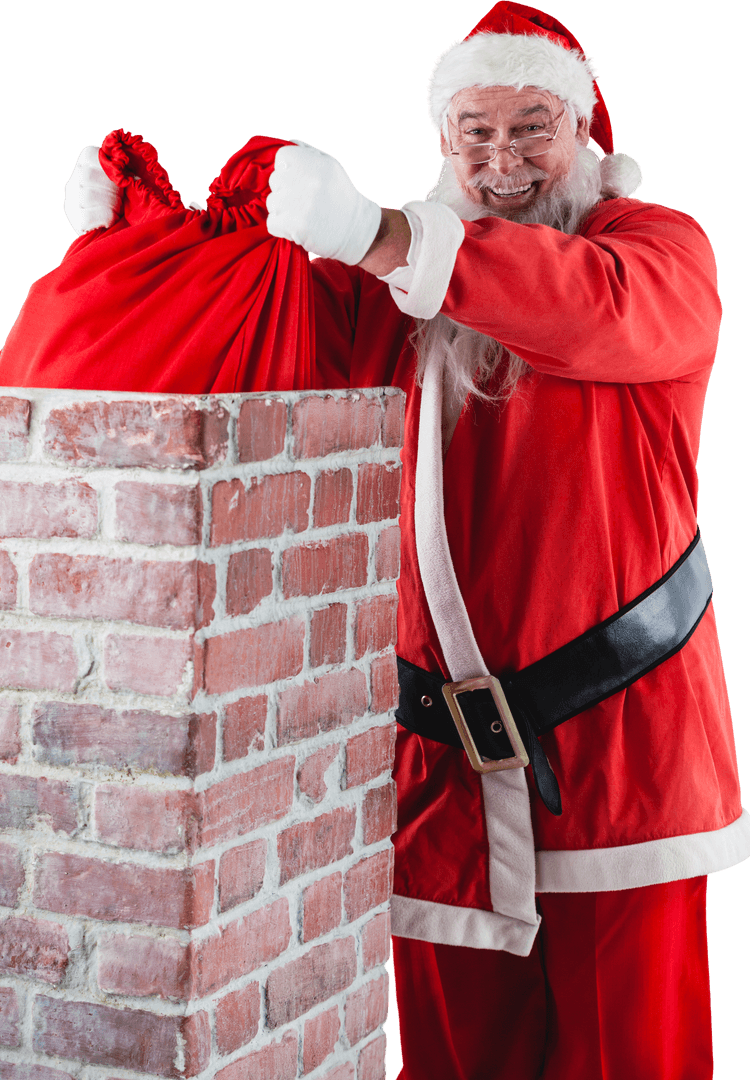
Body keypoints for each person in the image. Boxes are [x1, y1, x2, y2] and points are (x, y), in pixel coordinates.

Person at [62, 3, 749, 1077]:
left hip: (621, 759)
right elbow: (261, 311)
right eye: (473, 132)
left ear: (587, 135)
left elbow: (584, 305)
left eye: (532, 125)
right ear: (443, 146)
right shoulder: (399, 292)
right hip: (438, 781)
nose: (501, 158)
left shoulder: (658, 254)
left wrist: (379, 232)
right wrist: (137, 245)